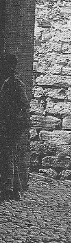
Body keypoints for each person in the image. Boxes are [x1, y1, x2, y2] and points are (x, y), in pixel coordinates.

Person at [0, 54, 30, 201]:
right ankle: (16, 188)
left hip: (11, 125)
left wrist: (12, 119)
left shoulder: (14, 83)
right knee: (11, 154)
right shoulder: (12, 82)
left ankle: (9, 188)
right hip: (11, 124)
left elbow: (22, 105)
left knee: (8, 155)